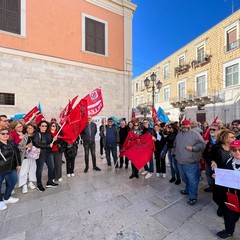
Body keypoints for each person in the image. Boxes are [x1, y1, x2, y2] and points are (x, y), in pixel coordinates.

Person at [212, 140, 240, 239]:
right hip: (230, 195)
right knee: (229, 215)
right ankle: (229, 231)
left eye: (239, 149)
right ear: (230, 151)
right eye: (234, 150)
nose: (237, 152)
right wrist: (217, 176)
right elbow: (224, 175)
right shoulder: (228, 161)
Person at [174, 120, 206, 205]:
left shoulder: (195, 134)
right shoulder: (179, 134)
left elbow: (202, 145)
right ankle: (187, 190)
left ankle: (193, 197)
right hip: (180, 162)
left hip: (191, 163)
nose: (184, 126)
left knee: (193, 180)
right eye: (183, 125)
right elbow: (175, 144)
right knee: (184, 178)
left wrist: (193, 148)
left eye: (186, 125)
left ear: (190, 125)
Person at [211, 129, 235, 216]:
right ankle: (221, 207)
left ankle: (230, 207)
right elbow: (211, 156)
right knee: (219, 192)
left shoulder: (235, 148)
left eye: (234, 137)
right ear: (225, 138)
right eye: (232, 137)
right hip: (219, 174)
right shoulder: (216, 147)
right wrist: (212, 161)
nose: (234, 138)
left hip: (232, 175)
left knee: (229, 193)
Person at [33, 120, 58, 192]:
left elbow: (52, 143)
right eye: (43, 126)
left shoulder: (48, 134)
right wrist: (47, 145)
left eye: (46, 126)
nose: (44, 127)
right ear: (39, 126)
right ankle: (39, 185)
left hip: (49, 153)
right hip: (41, 154)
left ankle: (49, 182)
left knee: (52, 167)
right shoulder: (37, 134)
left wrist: (55, 140)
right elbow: (36, 144)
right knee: (39, 169)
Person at [0, 127, 21, 211]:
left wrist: (18, 164)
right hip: (1, 169)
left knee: (13, 182)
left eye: (7, 133)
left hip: (11, 167)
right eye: (3, 134)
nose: (5, 135)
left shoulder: (11, 143)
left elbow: (17, 154)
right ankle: (0, 201)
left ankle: (7, 197)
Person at [18, 122, 37, 193]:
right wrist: (26, 146)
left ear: (34, 129)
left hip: (34, 156)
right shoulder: (23, 137)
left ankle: (31, 182)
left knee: (32, 169)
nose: (29, 129)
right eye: (28, 128)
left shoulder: (36, 136)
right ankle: (24, 185)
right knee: (23, 171)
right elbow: (19, 147)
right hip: (25, 156)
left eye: (31, 128)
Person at [202, 124, 218, 193]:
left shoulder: (220, 139)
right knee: (208, 174)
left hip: (216, 161)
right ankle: (211, 186)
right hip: (208, 159)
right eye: (210, 129)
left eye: (213, 129)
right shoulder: (207, 138)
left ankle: (216, 188)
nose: (211, 131)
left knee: (215, 175)